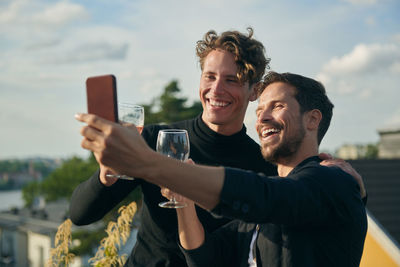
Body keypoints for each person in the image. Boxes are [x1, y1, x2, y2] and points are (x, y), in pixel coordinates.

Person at [75, 71, 367, 266]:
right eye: (260, 109)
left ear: (313, 120)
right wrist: (184, 202)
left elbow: (263, 196)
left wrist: (148, 163)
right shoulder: (257, 217)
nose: (263, 117)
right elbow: (205, 257)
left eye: (276, 106)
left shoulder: (334, 179)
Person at [70, 28, 278, 266]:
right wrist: (106, 174)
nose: (216, 89)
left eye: (231, 80)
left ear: (254, 91)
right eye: (210, 76)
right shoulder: (153, 139)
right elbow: (79, 215)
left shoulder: (264, 168)